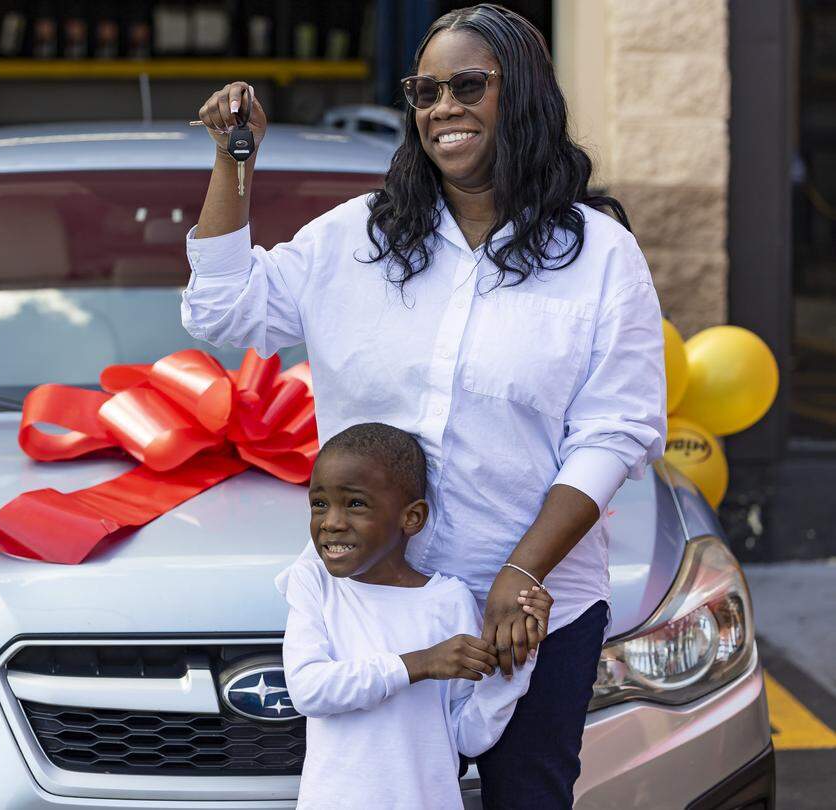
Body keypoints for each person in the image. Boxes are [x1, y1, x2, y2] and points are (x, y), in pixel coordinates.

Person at [182, 4, 665, 807]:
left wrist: (522, 570)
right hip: (376, 610)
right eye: (426, 90)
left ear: (527, 96)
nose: (444, 107)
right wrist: (236, 161)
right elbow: (223, 312)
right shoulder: (355, 239)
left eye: (469, 84)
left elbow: (615, 432)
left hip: (537, 614)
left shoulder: (599, 257)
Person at [278, 422, 552, 809]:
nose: (331, 521)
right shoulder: (313, 583)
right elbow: (309, 690)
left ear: (412, 518)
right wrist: (420, 664)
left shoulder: (449, 600)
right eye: (319, 503)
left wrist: (519, 656)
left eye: (355, 503)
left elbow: (468, 737)